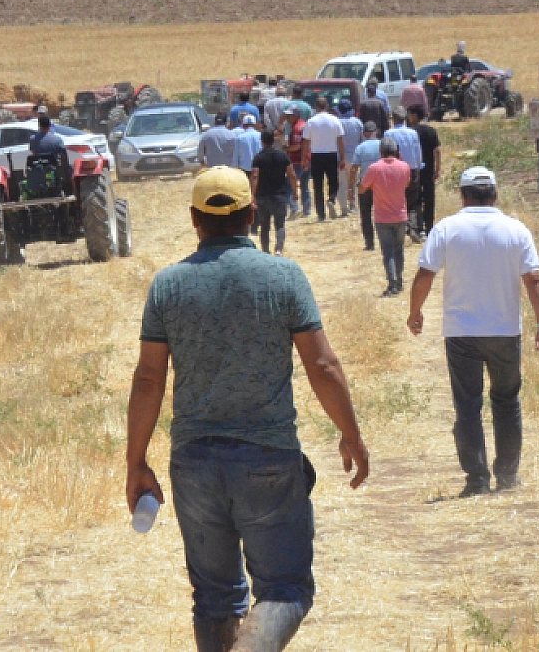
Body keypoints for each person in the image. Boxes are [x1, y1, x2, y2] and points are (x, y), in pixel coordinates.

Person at [126, 167, 369, 652]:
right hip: (269, 459)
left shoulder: (168, 285)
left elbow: (149, 378)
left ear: (194, 219)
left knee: (215, 599)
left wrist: (136, 464)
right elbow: (322, 365)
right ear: (252, 215)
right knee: (284, 589)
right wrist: (350, 434)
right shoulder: (283, 276)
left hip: (193, 462)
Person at [407, 167, 539, 497]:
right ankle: (507, 477)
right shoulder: (516, 231)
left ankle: (477, 480)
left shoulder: (447, 229)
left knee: (468, 405)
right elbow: (533, 281)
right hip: (505, 331)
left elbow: (424, 276)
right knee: (506, 401)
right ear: (496, 194)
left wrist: (415, 312)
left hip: (462, 333)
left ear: (462, 195)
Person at [360, 139, 413, 297]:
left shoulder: (374, 168)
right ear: (396, 151)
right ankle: (400, 281)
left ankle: (392, 285)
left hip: (383, 217)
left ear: (381, 152)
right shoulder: (404, 166)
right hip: (401, 215)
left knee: (388, 251)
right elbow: (407, 184)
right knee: (399, 249)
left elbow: (362, 189)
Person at [250, 130, 299, 255]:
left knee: (264, 225)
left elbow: (255, 176)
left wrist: (252, 195)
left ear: (262, 142)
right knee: (280, 224)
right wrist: (295, 191)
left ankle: (265, 250)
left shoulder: (258, 158)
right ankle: (278, 249)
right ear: (274, 140)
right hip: (280, 195)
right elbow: (292, 175)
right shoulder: (283, 156)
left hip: (263, 196)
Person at [304, 97, 344, 222]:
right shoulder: (335, 120)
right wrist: (342, 157)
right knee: (333, 181)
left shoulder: (311, 122)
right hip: (331, 154)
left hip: (316, 155)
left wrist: (305, 158)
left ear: (316, 107)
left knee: (318, 185)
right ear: (327, 106)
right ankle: (331, 199)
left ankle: (321, 214)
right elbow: (340, 141)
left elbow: (305, 142)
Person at [406, 104, 441, 239]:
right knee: (429, 198)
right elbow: (437, 150)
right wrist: (438, 169)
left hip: (414, 170)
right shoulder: (431, 131)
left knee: (416, 199)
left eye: (409, 114)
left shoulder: (410, 131)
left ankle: (418, 227)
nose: (408, 117)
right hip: (429, 170)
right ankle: (429, 227)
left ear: (415, 115)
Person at [351, 122, 384, 251]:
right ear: (376, 132)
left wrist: (350, 188)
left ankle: (370, 243)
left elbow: (354, 169)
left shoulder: (360, 147)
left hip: (365, 184)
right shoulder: (383, 144)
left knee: (365, 215)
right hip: (381, 185)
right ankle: (383, 240)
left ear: (364, 134)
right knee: (381, 213)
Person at [281, 106, 311, 219]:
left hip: (298, 161)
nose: (287, 118)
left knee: (288, 185)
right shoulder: (304, 125)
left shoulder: (298, 128)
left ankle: (295, 208)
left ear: (296, 116)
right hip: (308, 160)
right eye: (287, 116)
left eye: (290, 116)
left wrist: (285, 149)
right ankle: (307, 210)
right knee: (304, 185)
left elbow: (298, 146)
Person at [337, 102, 364, 216]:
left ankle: (344, 208)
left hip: (341, 157)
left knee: (342, 183)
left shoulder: (337, 122)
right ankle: (353, 205)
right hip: (354, 157)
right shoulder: (357, 122)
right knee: (353, 182)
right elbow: (362, 140)